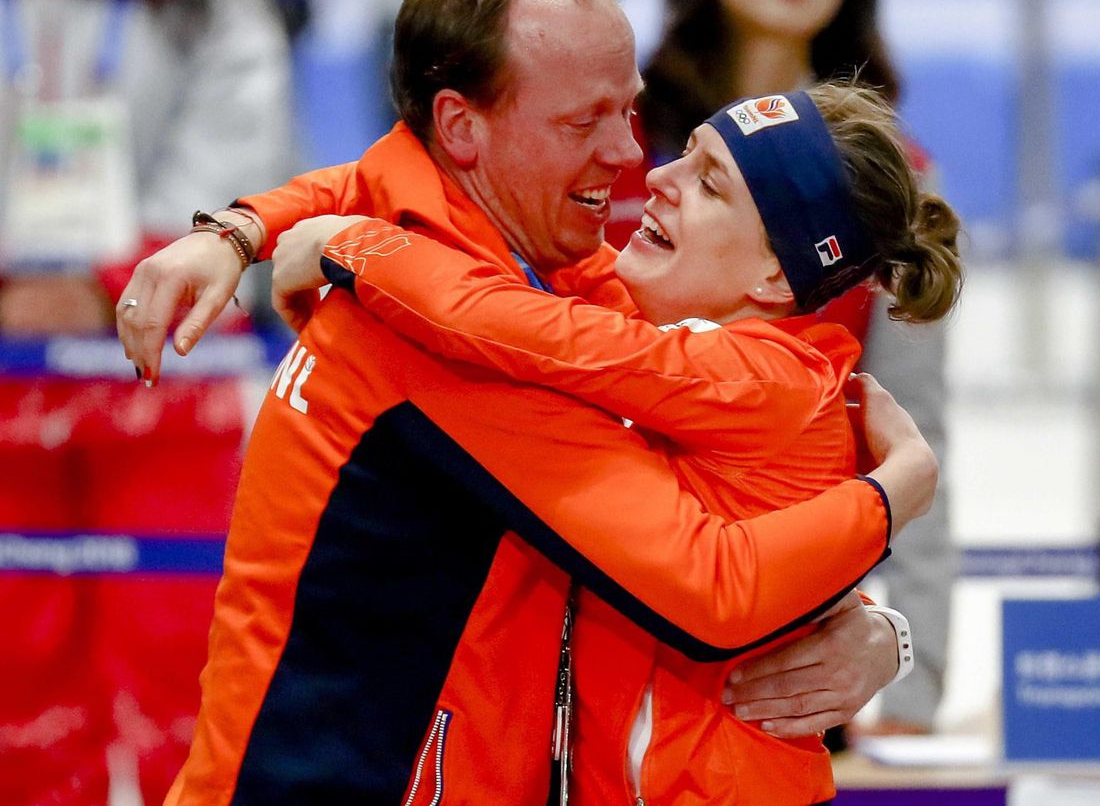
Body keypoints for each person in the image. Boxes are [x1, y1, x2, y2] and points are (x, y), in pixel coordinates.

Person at [117, 0, 934, 803]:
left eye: (631, 111)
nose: (633, 160)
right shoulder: (437, 337)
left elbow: (396, 191)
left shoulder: (555, 278)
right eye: (587, 121)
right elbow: (709, 583)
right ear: (463, 129)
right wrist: (892, 497)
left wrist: (875, 628)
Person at [266, 81, 963, 805]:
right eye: (686, 154)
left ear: (775, 273)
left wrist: (348, 243)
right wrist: (240, 231)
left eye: (709, 184)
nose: (658, 178)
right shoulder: (714, 358)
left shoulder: (761, 376)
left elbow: (516, 325)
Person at [605, 0, 956, 735]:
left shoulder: (895, 187)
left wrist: (903, 661)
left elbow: (912, 441)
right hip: (577, 642)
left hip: (774, 680)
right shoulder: (605, 132)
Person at [0, 0, 290, 802]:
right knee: (14, 664)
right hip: (7, 370)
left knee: (190, 656)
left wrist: (111, 281)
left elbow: (244, 146)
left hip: (166, 368)